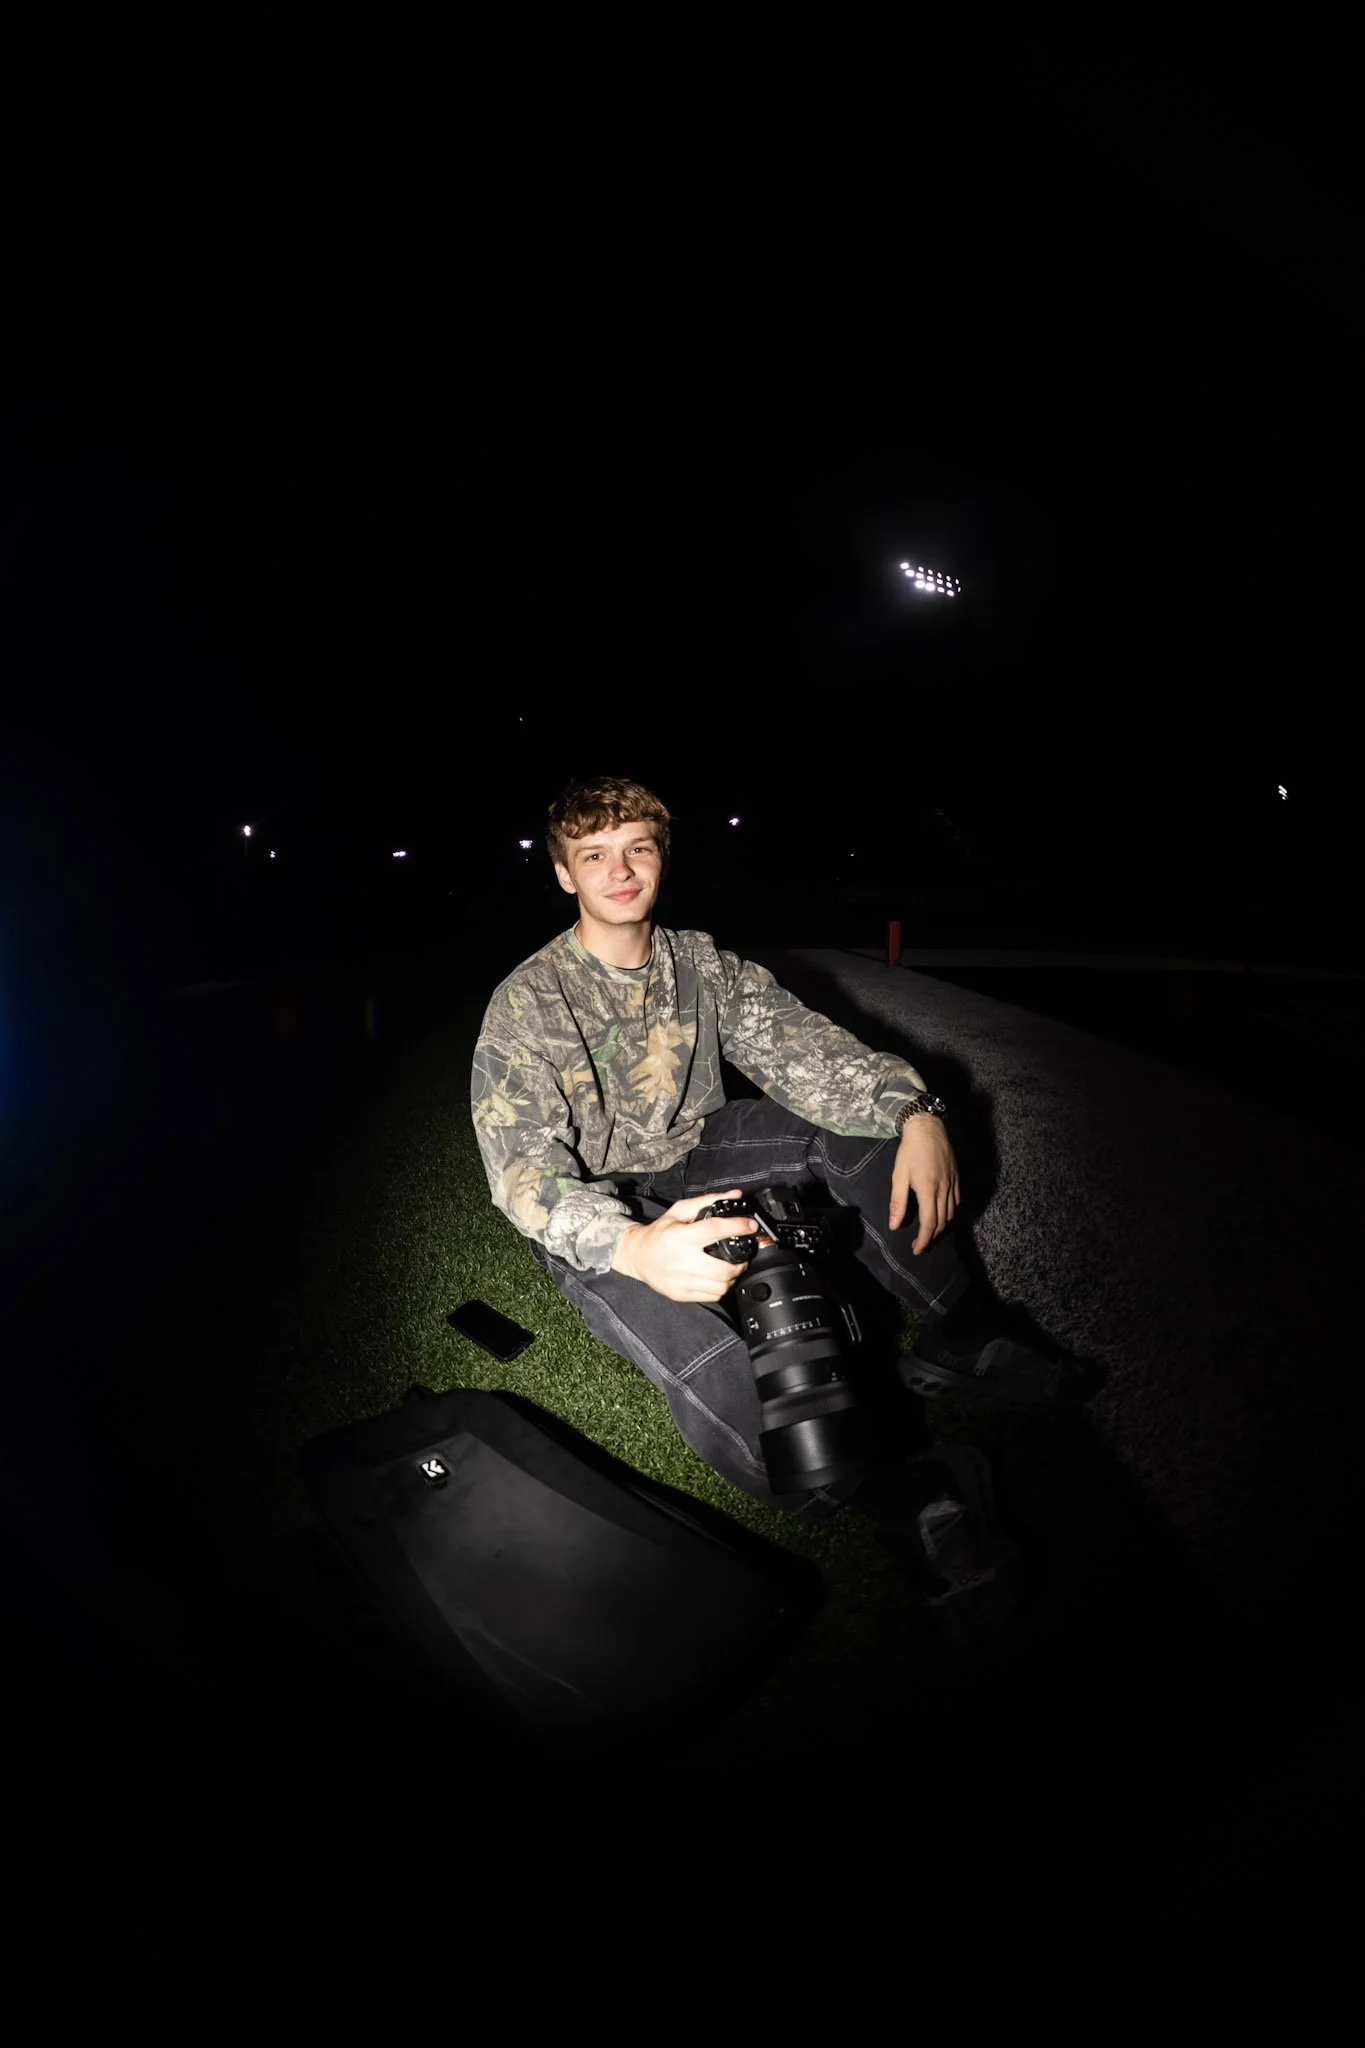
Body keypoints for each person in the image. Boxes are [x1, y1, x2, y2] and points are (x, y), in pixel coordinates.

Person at [472, 776, 1098, 1648]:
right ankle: (904, 1501)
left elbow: (805, 1052)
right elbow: (522, 1170)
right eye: (594, 856)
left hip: (698, 1146)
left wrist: (914, 1111)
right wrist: (633, 1246)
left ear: (660, 857)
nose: (620, 871)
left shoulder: (701, 964)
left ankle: (961, 1330)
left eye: (637, 849)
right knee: (703, 1350)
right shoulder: (527, 1001)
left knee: (850, 1127)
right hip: (602, 1202)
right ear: (564, 874)